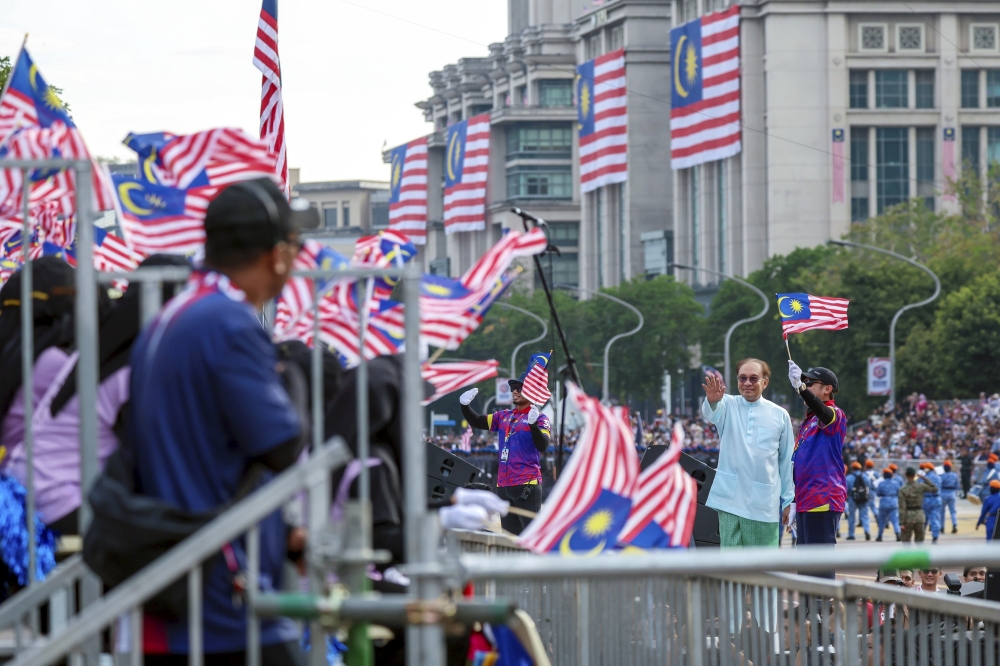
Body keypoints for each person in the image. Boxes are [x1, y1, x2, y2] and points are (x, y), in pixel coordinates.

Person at [130, 178, 312, 665]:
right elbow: (283, 443)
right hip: (221, 591)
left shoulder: (176, 314)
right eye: (295, 246)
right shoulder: (228, 323)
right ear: (276, 254)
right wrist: (291, 378)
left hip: (178, 579)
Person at [701, 360, 794, 548]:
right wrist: (712, 400)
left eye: (753, 378)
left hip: (763, 502)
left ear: (765, 382)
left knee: (763, 567)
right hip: (730, 500)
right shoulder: (727, 403)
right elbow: (711, 415)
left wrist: (789, 500)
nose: (747, 383)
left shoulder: (779, 415)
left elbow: (785, 461)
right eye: (742, 378)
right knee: (732, 565)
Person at [459, 353, 552, 535]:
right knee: (509, 539)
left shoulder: (540, 418)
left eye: (519, 387)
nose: (514, 391)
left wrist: (533, 425)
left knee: (530, 538)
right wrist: (464, 406)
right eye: (513, 388)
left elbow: (543, 445)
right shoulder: (504, 416)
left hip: (527, 484)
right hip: (504, 485)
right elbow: (478, 421)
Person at [786, 363, 847, 560]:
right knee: (805, 565)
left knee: (818, 565)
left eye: (810, 382)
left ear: (827, 389)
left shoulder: (835, 414)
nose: (805, 385)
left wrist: (801, 390)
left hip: (822, 498)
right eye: (804, 382)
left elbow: (824, 412)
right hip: (805, 498)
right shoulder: (808, 422)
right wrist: (794, 500)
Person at [898, 467, 937, 544]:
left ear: (906, 475)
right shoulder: (921, 486)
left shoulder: (903, 489)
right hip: (919, 515)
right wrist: (925, 478)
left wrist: (902, 523)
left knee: (906, 541)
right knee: (920, 542)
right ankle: (919, 556)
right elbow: (934, 489)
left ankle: (907, 556)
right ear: (915, 475)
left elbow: (902, 507)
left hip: (908, 517)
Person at [845, 462, 872, 540]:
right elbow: (869, 487)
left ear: (852, 468)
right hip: (864, 499)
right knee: (864, 515)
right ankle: (867, 531)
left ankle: (851, 534)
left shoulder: (849, 477)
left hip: (853, 499)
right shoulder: (865, 477)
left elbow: (846, 489)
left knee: (852, 517)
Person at [875, 467, 901, 542]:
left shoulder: (881, 483)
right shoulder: (896, 483)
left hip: (884, 502)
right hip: (894, 502)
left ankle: (880, 536)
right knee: (895, 520)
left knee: (882, 520)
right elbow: (899, 492)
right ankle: (897, 533)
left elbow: (878, 493)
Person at [920, 462, 943, 543]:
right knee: (935, 518)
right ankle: (935, 537)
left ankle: (921, 536)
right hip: (936, 499)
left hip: (925, 500)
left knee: (923, 520)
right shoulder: (938, 477)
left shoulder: (923, 478)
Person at [939, 460, 960, 534]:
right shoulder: (955, 475)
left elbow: (939, 485)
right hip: (952, 494)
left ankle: (942, 527)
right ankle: (954, 524)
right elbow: (957, 486)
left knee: (942, 512)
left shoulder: (941, 476)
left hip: (943, 494)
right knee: (953, 511)